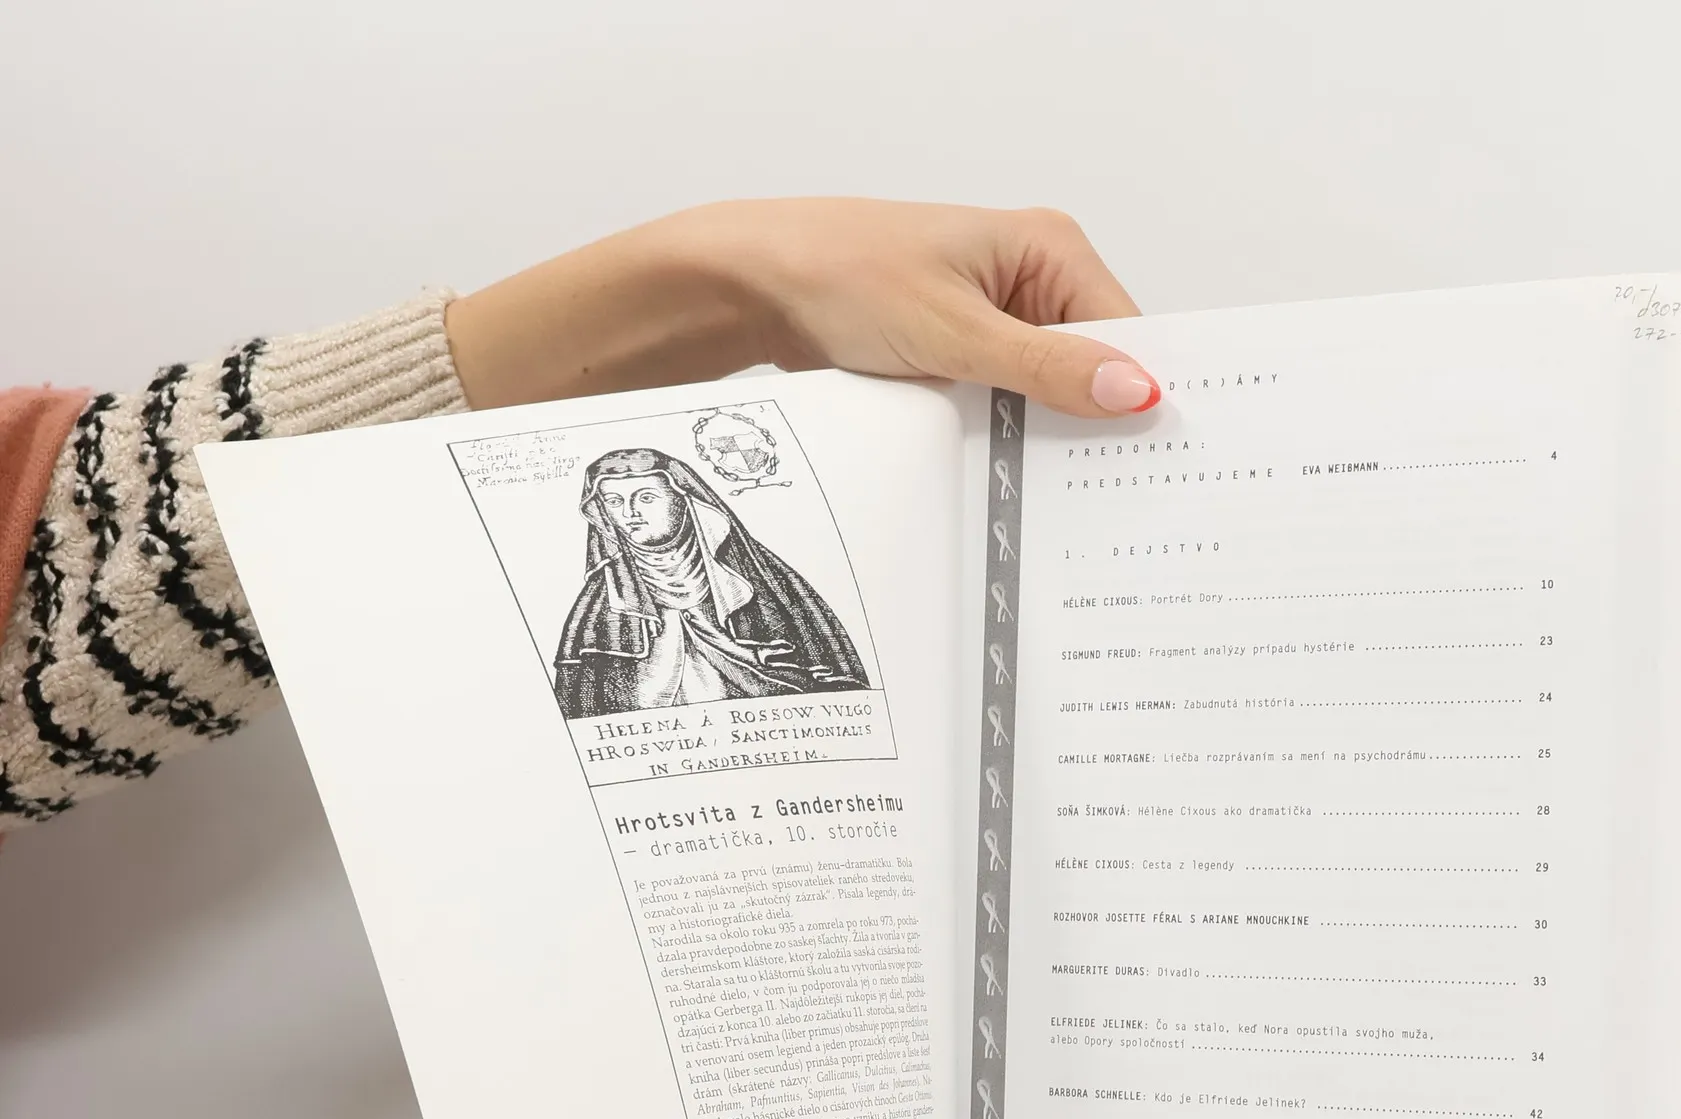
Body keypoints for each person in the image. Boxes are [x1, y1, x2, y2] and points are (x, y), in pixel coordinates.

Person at [0, 199, 1158, 824]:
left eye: (650, 486)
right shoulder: (596, 621)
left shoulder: (782, 587)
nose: (635, 506)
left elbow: (78, 557)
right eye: (615, 495)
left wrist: (734, 280)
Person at [553, 446, 868, 718]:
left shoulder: (754, 579)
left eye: (646, 498)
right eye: (612, 501)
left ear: (684, 500)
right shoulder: (602, 600)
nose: (629, 513)